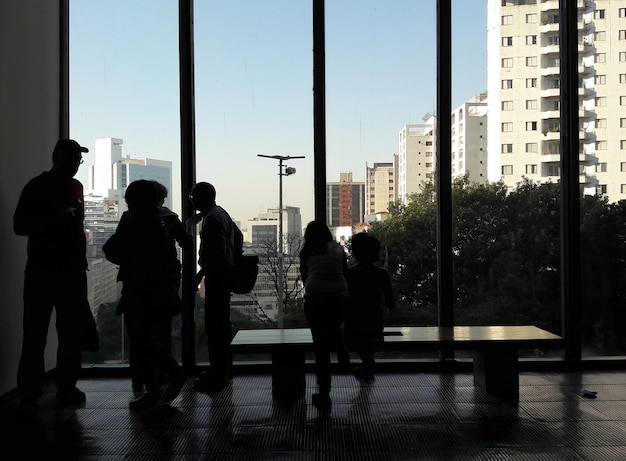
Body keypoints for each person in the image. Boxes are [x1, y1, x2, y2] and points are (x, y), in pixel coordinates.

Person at [13, 139, 91, 412]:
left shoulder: (74, 187)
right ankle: (39, 390)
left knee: (65, 332)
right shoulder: (38, 187)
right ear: (57, 156)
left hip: (65, 270)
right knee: (38, 333)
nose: (75, 165)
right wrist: (55, 218)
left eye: (77, 161)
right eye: (72, 159)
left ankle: (52, 388)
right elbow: (19, 225)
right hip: (45, 270)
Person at [103, 179, 185, 410]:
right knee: (146, 337)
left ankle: (163, 380)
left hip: (139, 287)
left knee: (139, 338)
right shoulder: (161, 221)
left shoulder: (137, 221)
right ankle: (162, 381)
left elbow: (112, 249)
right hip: (154, 287)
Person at [186, 182, 243, 393]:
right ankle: (222, 370)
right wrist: (233, 257)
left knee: (214, 326)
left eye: (193, 196)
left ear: (200, 197)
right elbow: (238, 237)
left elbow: (216, 254)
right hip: (224, 275)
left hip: (216, 277)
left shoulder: (211, 219)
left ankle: (217, 373)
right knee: (222, 324)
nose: (191, 199)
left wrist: (198, 275)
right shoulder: (222, 213)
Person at [299, 221, 350, 409]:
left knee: (320, 344)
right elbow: (344, 272)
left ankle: (324, 391)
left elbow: (305, 277)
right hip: (340, 295)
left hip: (315, 296)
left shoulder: (307, 251)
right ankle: (338, 340)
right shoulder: (338, 249)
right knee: (333, 326)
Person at [345, 232, 395, 381]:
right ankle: (367, 364)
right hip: (374, 324)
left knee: (356, 332)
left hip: (352, 326)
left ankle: (367, 364)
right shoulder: (382, 274)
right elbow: (390, 303)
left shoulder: (349, 274)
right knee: (368, 333)